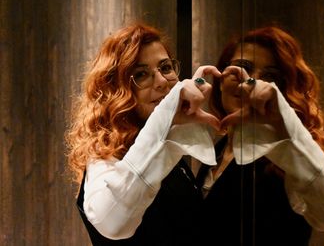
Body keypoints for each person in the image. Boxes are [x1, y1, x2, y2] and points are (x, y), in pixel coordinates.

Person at [199, 25, 324, 245]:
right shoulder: (218, 150)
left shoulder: (289, 156)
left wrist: (288, 134)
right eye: (241, 68)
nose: (250, 83)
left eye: (270, 76)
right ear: (219, 80)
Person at [65, 22, 222, 245]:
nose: (161, 82)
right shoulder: (105, 158)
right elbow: (112, 222)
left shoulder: (168, 145)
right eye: (141, 74)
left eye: (166, 68)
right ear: (116, 90)